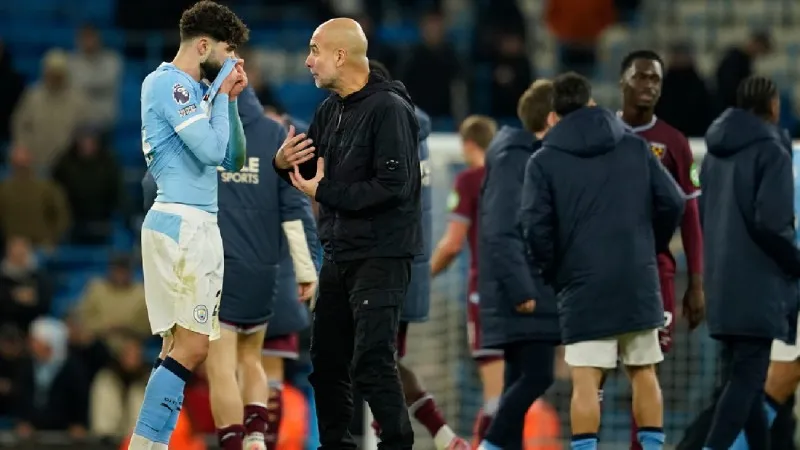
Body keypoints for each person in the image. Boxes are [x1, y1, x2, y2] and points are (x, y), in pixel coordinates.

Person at [272, 18, 421, 450]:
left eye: (314, 50)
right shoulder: (329, 110)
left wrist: (326, 192)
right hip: (339, 254)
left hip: (381, 256)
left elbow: (392, 187)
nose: (308, 61)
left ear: (340, 55)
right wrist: (283, 163)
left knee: (372, 362)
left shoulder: (389, 109)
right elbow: (311, 174)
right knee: (326, 364)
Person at [519, 72, 685, 450]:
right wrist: (649, 246)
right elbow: (674, 202)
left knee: (586, 380)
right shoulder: (634, 145)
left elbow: (533, 227)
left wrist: (554, 270)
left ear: (553, 116)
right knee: (644, 372)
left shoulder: (543, 161)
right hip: (637, 279)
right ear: (591, 102)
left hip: (582, 284)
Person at [130, 2, 249, 449]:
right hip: (185, 224)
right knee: (195, 347)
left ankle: (152, 445)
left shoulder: (196, 91)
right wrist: (218, 93)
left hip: (184, 223)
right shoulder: (171, 84)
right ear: (203, 46)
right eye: (228, 50)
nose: (234, 60)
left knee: (175, 350)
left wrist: (227, 100)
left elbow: (233, 158)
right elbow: (212, 152)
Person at [368, 59, 468, 450]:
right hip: (411, 270)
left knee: (374, 364)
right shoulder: (415, 129)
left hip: (387, 272)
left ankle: (420, 436)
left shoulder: (385, 130)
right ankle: (443, 436)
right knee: (383, 363)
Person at [698, 75, 800, 450]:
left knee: (746, 382)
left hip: (720, 280)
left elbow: (702, 213)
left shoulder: (713, 154)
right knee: (745, 382)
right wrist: (795, 263)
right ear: (773, 106)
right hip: (757, 285)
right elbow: (772, 223)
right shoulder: (772, 151)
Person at [617, 49, 705, 450]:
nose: (649, 85)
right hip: (604, 275)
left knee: (646, 370)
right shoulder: (602, 134)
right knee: (593, 372)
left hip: (656, 274)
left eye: (655, 79)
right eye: (641, 76)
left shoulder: (674, 143)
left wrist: (697, 283)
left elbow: (691, 216)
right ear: (623, 81)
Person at [476, 79, 560, 450]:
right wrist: (521, 287)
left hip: (526, 285)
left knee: (518, 378)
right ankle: (490, 444)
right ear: (553, 118)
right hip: (523, 290)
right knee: (538, 375)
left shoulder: (526, 156)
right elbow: (500, 230)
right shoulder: (516, 159)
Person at [431, 114, 502, 445]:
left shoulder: (470, 181)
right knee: (518, 388)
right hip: (525, 292)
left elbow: (452, 244)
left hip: (486, 292)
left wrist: (424, 275)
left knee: (495, 394)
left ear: (467, 144)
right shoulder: (516, 176)